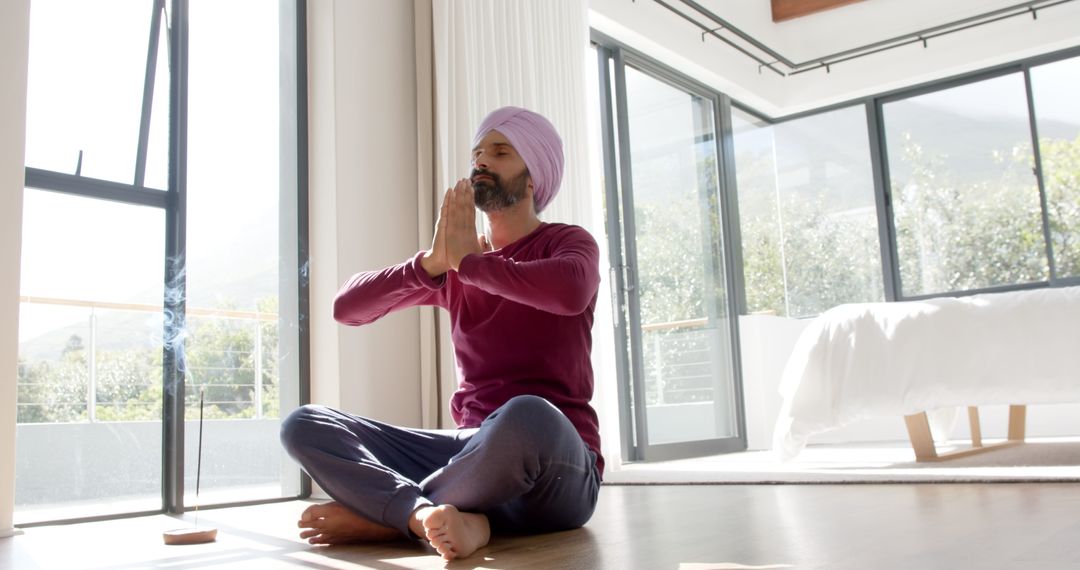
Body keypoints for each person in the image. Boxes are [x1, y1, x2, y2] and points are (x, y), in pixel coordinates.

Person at [280, 106, 604, 561]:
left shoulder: (569, 243)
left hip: (555, 467)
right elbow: (346, 309)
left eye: (500, 151)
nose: (481, 162)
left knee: (527, 415)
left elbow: (570, 291)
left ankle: (390, 516)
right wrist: (431, 264)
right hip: (470, 453)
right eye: (477, 154)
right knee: (305, 424)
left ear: (533, 178)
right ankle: (439, 517)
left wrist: (471, 265)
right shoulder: (450, 262)